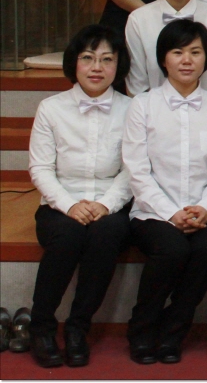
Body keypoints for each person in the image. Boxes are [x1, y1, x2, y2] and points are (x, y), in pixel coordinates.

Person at [121, 20, 207, 365]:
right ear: (163, 59)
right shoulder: (143, 105)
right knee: (171, 249)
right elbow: (137, 171)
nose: (187, 60)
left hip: (206, 210)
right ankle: (142, 326)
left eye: (196, 52)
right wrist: (171, 213)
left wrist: (206, 207)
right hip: (152, 211)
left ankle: (173, 330)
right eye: (178, 52)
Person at [26, 26, 132, 368]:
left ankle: (77, 328)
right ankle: (41, 327)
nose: (97, 67)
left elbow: (133, 170)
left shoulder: (133, 109)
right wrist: (70, 205)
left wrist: (106, 204)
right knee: (68, 235)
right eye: (88, 58)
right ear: (74, 63)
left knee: (107, 234)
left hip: (109, 204)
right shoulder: (51, 108)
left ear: (118, 65)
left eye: (106, 59)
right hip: (60, 204)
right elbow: (41, 169)